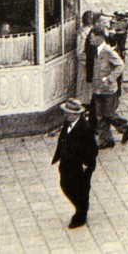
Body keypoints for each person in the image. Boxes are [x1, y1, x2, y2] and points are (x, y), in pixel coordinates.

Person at [52, 98, 98, 229]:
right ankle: (81, 207)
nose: (65, 115)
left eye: (67, 113)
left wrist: (86, 165)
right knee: (65, 185)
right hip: (67, 162)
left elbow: (92, 149)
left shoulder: (85, 128)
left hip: (80, 166)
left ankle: (80, 215)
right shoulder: (69, 122)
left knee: (80, 190)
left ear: (76, 114)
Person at [90, 31, 128, 149]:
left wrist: (111, 78)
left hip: (108, 90)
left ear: (100, 38)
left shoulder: (108, 51)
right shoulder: (96, 51)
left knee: (108, 114)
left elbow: (120, 65)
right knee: (100, 115)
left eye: (92, 38)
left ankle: (125, 126)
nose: (90, 40)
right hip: (98, 89)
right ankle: (106, 139)